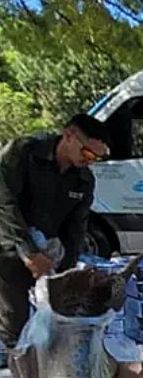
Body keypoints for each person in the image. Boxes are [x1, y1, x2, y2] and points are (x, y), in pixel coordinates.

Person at [0, 113, 110, 350]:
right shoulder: (24, 152)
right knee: (15, 324)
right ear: (69, 135)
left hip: (47, 254)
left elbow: (76, 231)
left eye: (97, 158)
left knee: (54, 324)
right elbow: (4, 204)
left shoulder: (84, 181)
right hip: (8, 246)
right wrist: (28, 252)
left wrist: (65, 274)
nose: (90, 161)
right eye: (88, 153)